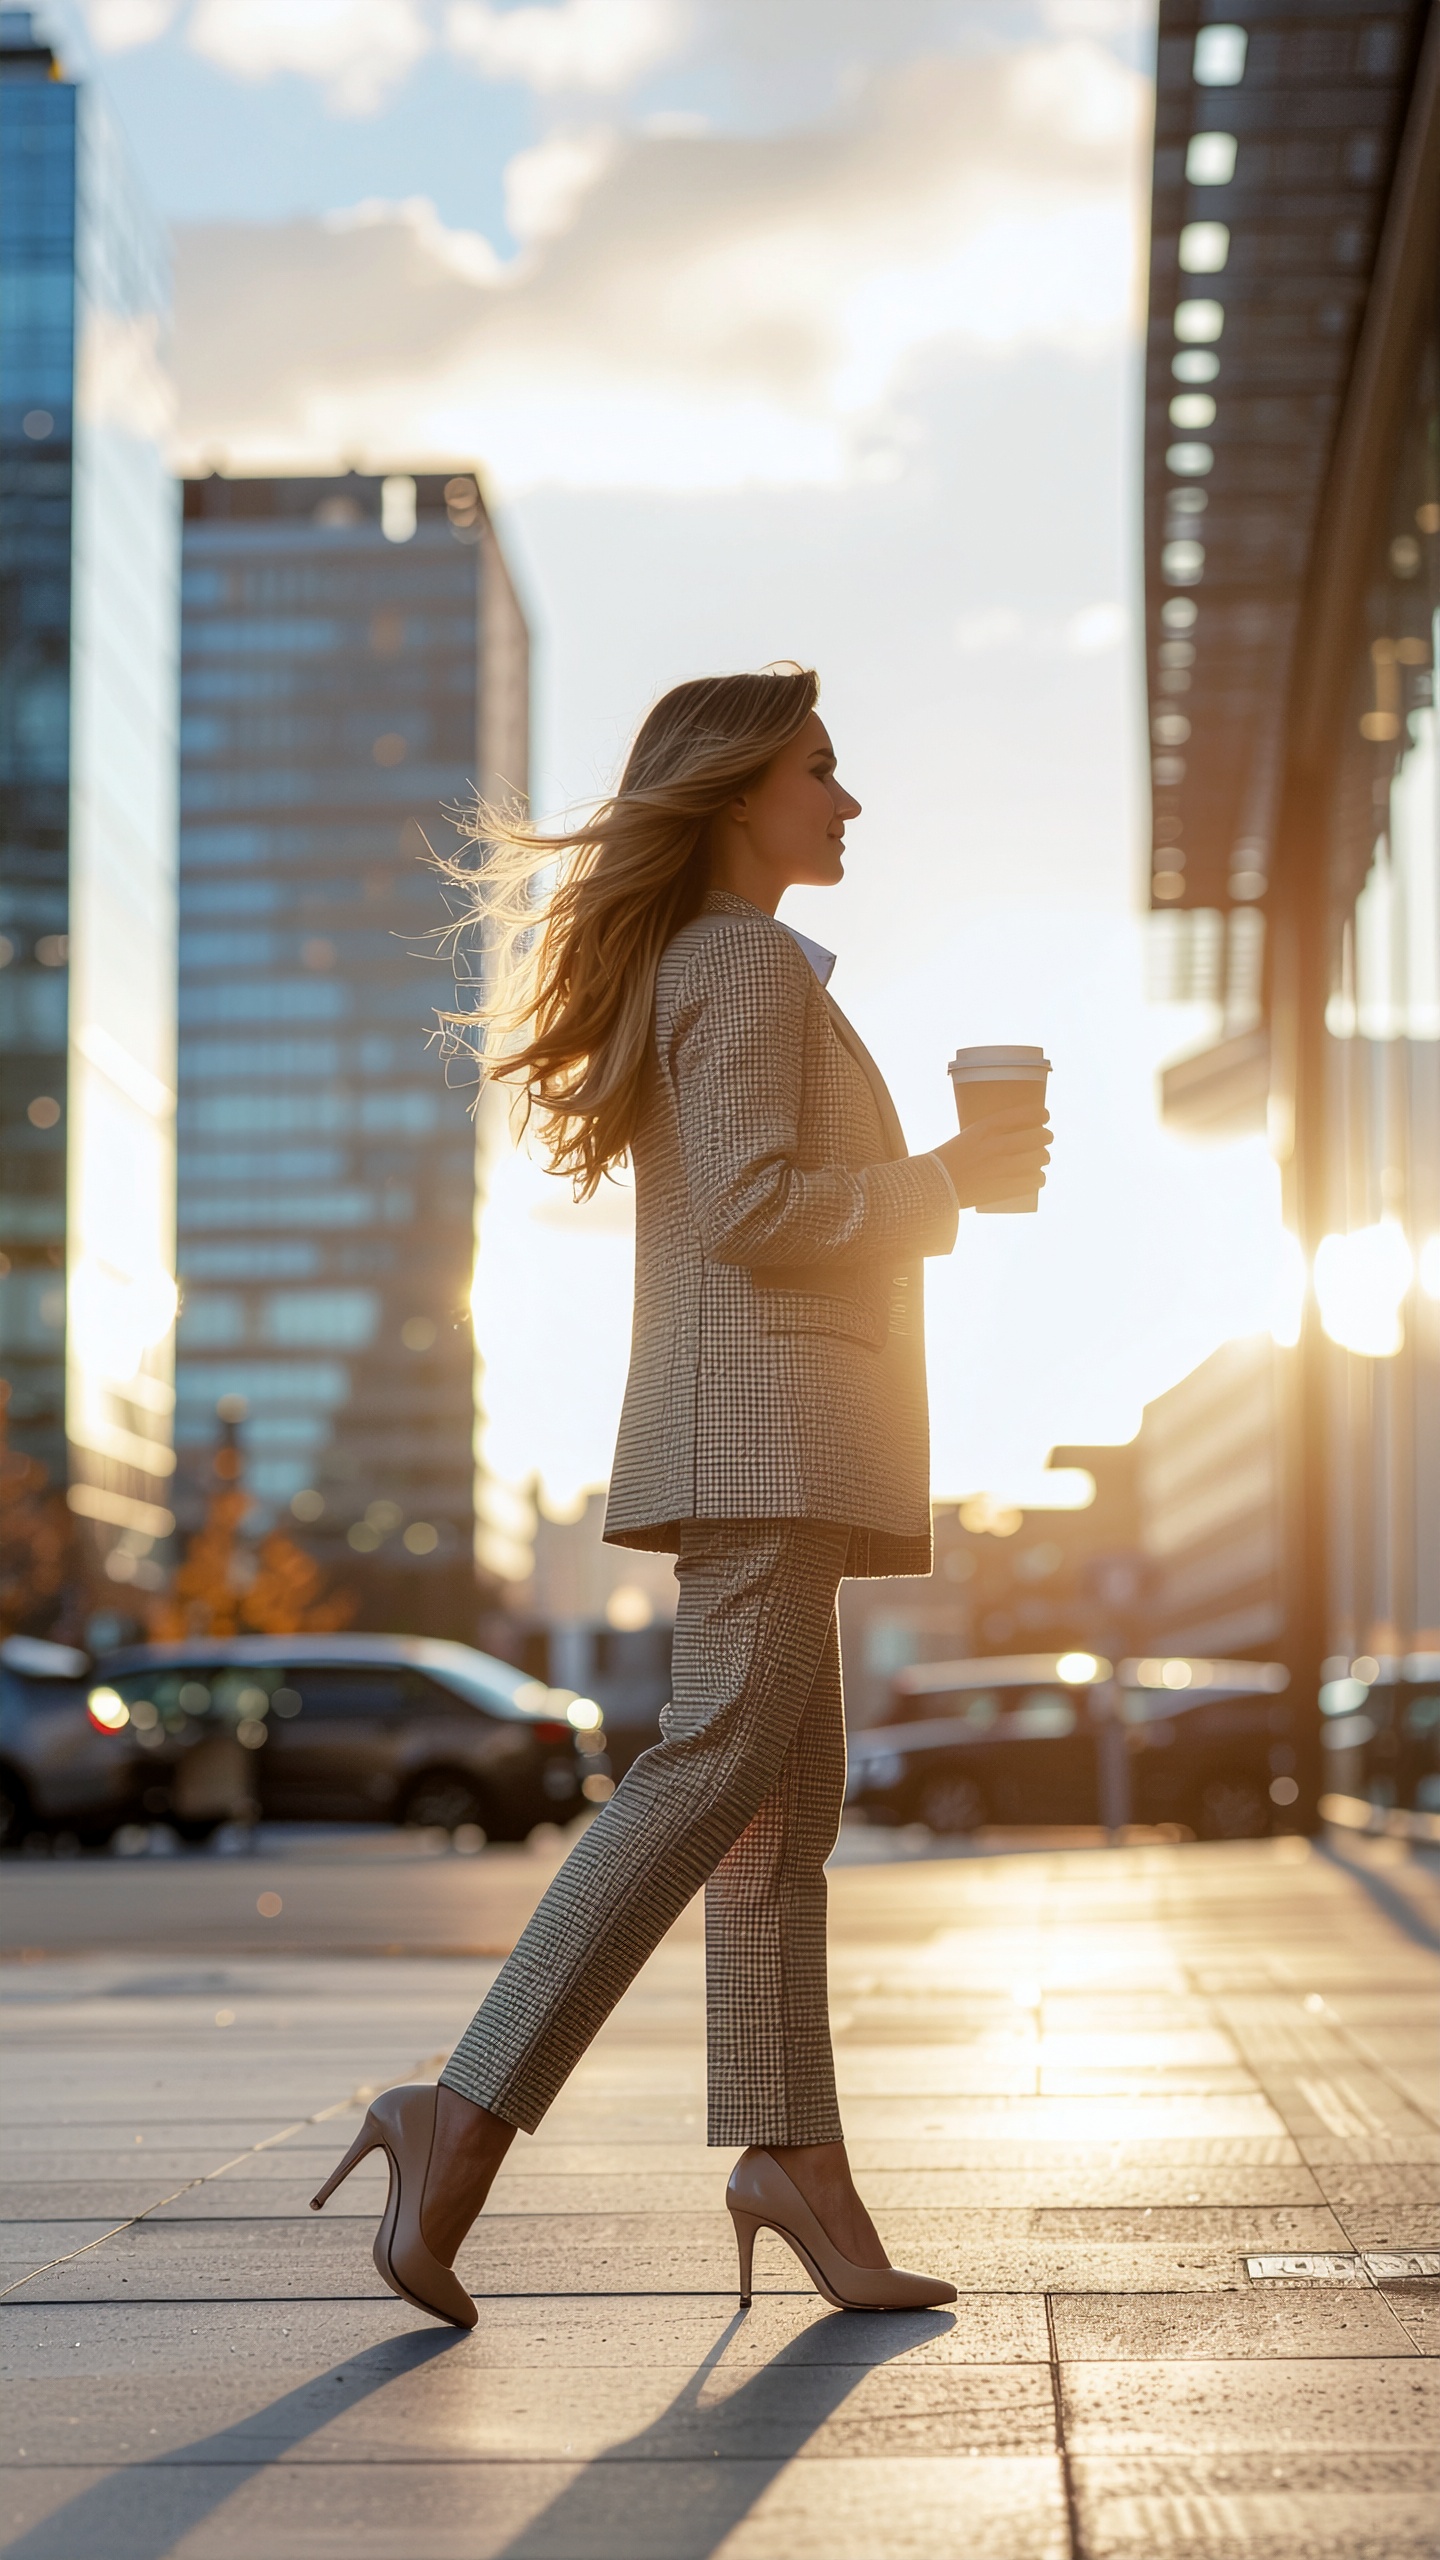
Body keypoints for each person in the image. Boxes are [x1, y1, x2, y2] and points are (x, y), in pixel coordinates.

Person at [311, 667, 1052, 2327]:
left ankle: (792, 2154)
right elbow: (755, 1207)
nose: (849, 802)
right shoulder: (740, 965)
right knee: (712, 1771)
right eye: (820, 770)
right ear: (734, 792)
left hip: (783, 1439)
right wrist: (947, 1177)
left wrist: (937, 1180)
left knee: (785, 1811)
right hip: (766, 1437)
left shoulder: (745, 967)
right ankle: (465, 2111)